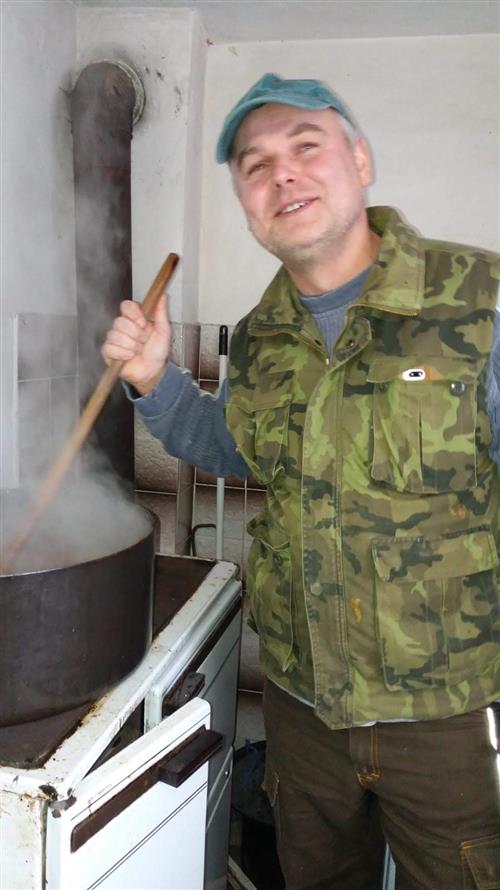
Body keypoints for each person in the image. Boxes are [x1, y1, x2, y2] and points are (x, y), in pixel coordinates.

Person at [103, 74, 500, 890]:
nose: (281, 173)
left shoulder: (478, 302)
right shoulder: (261, 337)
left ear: (360, 160)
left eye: (306, 146)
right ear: (248, 205)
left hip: (451, 718)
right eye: (254, 165)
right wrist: (153, 377)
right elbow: (234, 448)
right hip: (302, 708)